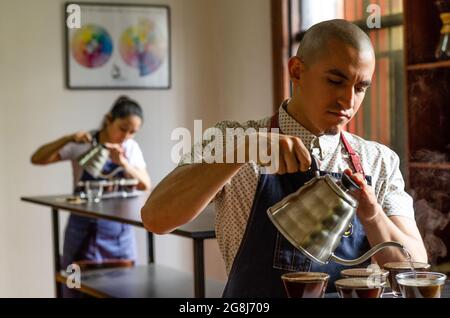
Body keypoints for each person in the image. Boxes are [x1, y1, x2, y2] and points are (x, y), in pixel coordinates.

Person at [141, 20, 427, 297]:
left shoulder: (377, 160)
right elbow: (156, 218)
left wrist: (373, 214)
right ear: (297, 71)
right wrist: (242, 150)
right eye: (335, 81)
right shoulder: (232, 139)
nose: (348, 101)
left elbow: (414, 271)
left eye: (361, 87)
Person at [31, 96, 151, 297]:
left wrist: (123, 163)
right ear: (108, 119)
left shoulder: (130, 149)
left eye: (132, 132)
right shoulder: (83, 144)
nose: (126, 136)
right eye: (123, 128)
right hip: (81, 232)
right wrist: (68, 138)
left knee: (124, 290)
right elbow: (38, 158)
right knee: (73, 285)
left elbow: (145, 184)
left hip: (120, 235)